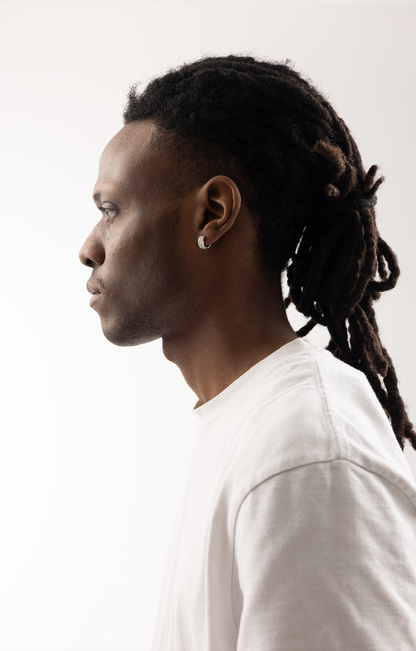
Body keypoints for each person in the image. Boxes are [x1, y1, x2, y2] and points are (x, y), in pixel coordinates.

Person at [79, 55, 416, 650]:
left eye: (111, 210)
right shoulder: (255, 423)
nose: (89, 248)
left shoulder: (306, 451)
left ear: (212, 213)